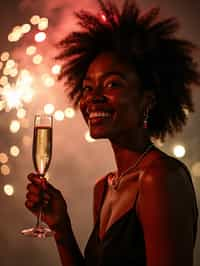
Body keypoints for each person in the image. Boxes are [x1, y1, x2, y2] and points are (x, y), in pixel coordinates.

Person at [25, 0, 199, 265]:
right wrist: (61, 227)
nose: (93, 98)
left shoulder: (160, 179)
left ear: (147, 99)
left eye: (112, 84)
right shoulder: (104, 188)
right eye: (86, 88)